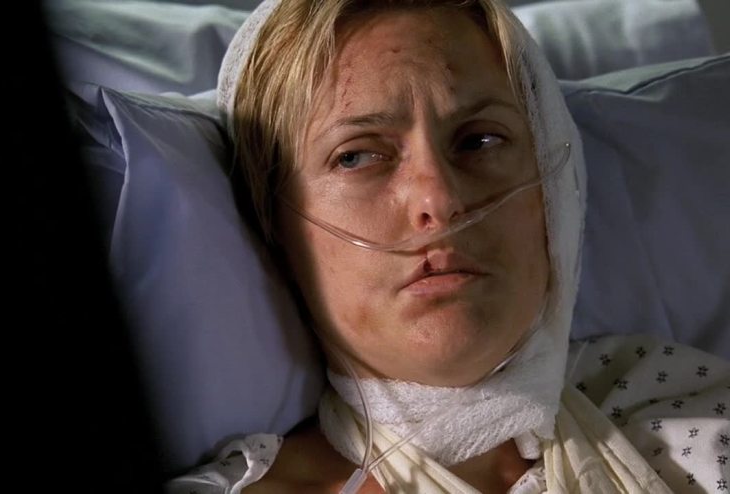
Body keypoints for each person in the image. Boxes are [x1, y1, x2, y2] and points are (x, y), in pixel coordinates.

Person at [168, 0, 729, 492]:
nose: (439, 199)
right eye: (357, 155)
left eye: (480, 140)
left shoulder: (686, 419)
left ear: (554, 195)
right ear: (276, 225)